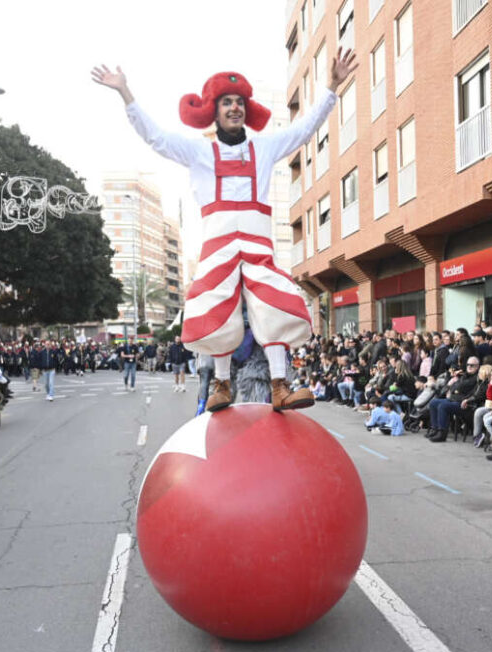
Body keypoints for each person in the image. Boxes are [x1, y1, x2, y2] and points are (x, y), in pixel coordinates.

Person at [93, 50, 358, 412]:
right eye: (227, 102)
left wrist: (332, 87)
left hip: (257, 243)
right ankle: (221, 385)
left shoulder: (264, 147)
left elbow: (303, 130)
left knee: (274, 303)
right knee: (216, 307)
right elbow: (154, 137)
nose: (235, 108)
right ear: (214, 110)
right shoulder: (198, 151)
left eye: (240, 102)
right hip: (218, 245)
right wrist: (125, 92)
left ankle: (280, 386)